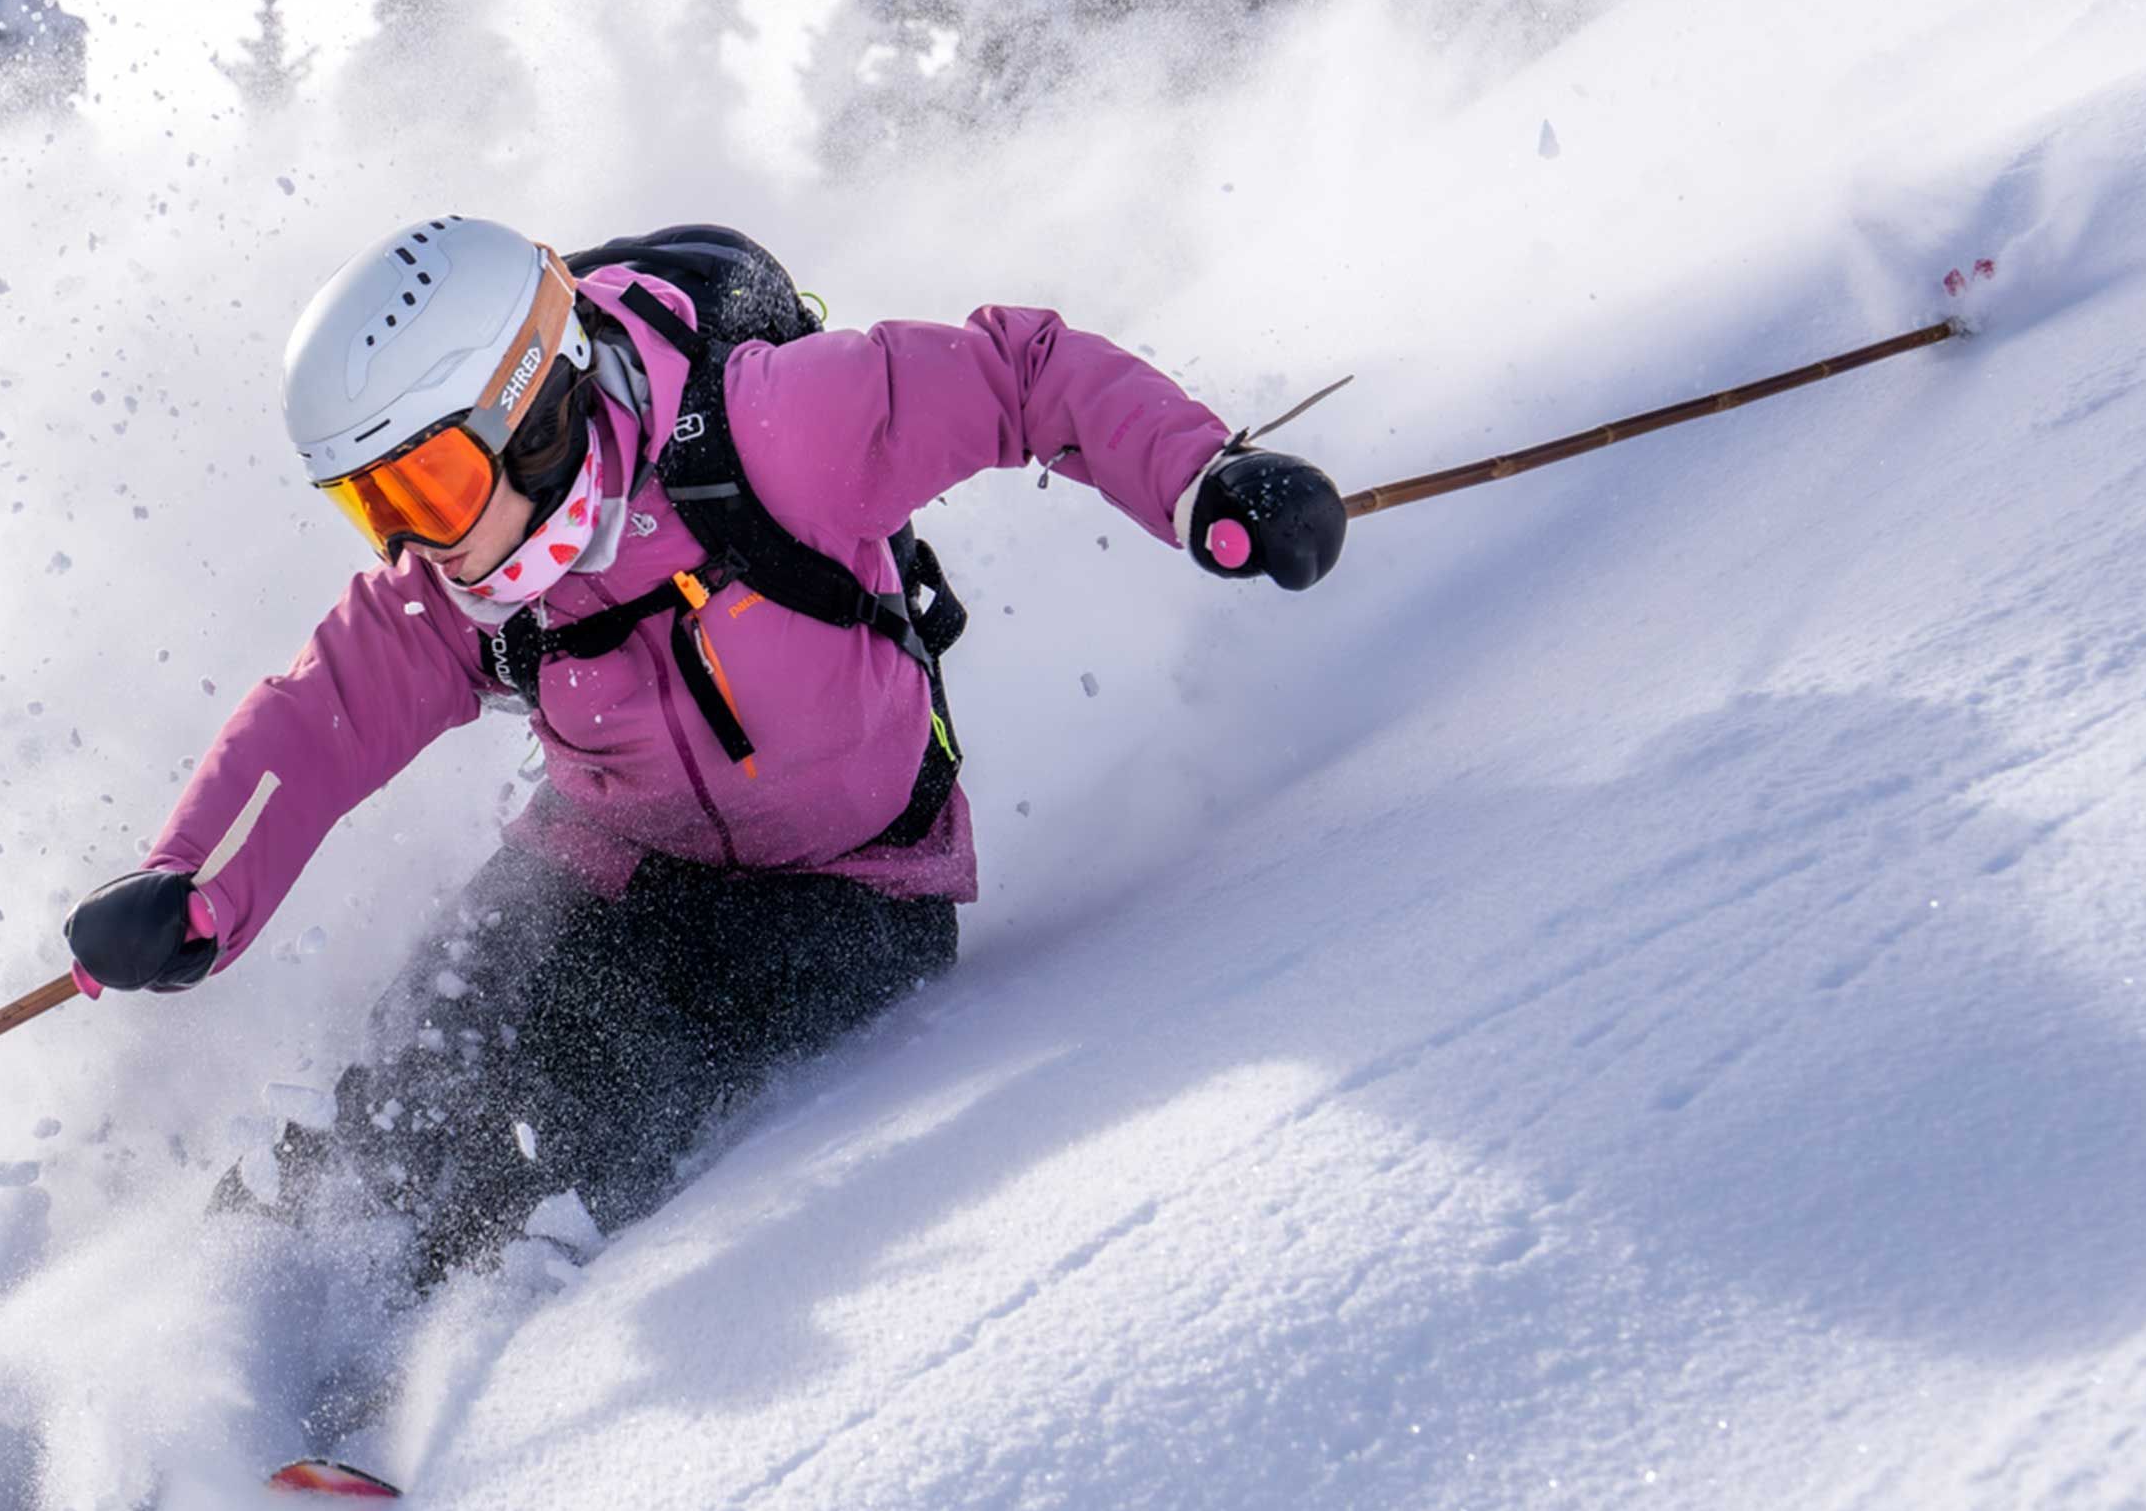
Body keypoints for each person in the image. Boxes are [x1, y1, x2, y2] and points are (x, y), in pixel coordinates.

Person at [68, 217, 1344, 1297]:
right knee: (414, 1068)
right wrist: (192, 886)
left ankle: (442, 1335)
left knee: (594, 1088)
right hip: (605, 858)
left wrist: (1204, 483)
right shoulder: (466, 590)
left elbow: (1022, 378)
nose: (422, 546)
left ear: (530, 405)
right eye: (378, 508)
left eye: (435, 489)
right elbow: (319, 717)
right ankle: (228, 1309)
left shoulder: (778, 432)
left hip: (853, 888)